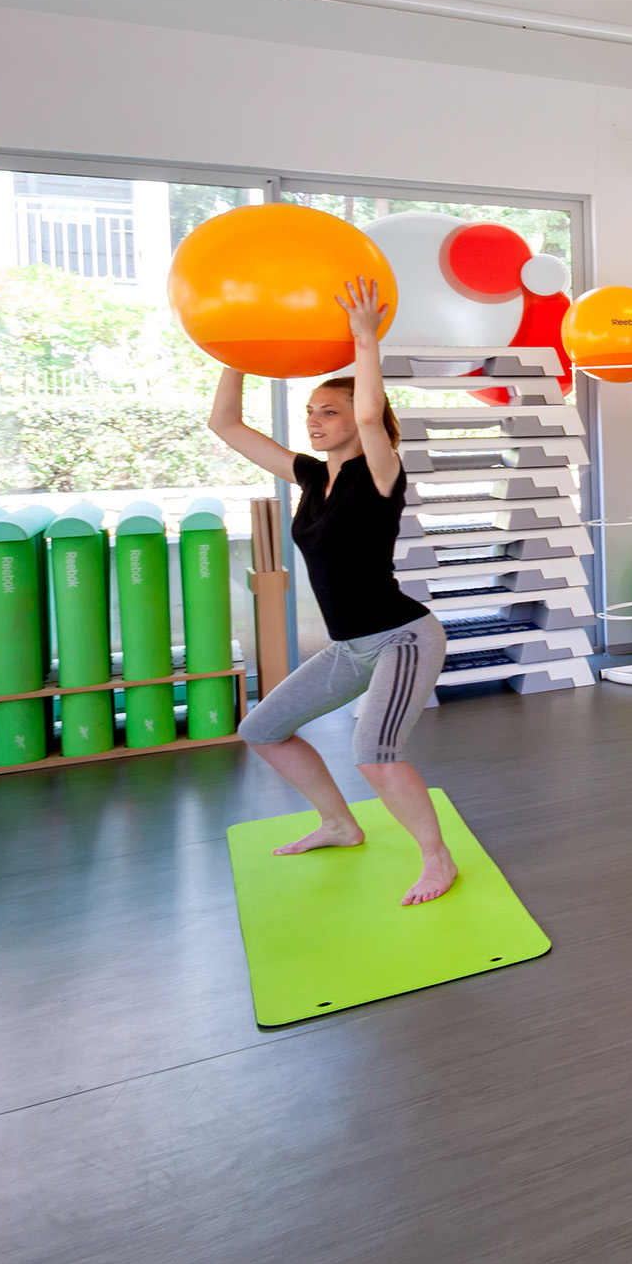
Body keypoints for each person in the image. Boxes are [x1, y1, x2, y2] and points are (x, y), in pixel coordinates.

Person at [206, 278, 457, 905]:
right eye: (312, 411)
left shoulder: (382, 472)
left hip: (402, 637)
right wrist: (236, 353)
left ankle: (437, 859)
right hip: (350, 647)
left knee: (374, 752)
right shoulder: (310, 476)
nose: (316, 422)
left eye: (330, 412)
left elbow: (372, 413)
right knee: (262, 728)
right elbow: (226, 424)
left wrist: (365, 340)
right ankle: (339, 824)